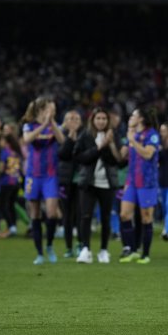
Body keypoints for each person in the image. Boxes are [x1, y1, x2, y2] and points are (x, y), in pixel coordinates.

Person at [73, 108, 123, 263]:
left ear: (108, 121)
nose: (101, 121)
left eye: (104, 118)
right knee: (85, 216)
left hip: (107, 183)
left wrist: (111, 144)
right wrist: (99, 147)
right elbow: (79, 157)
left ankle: (103, 250)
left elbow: (119, 161)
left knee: (106, 217)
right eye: (98, 118)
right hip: (89, 182)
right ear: (92, 120)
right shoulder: (85, 136)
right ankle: (85, 249)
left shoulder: (114, 136)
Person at [21, 97, 66, 264]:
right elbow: (27, 139)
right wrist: (43, 125)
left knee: (52, 212)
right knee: (35, 213)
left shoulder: (55, 126)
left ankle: (49, 245)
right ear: (41, 110)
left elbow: (62, 140)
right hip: (33, 175)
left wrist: (51, 123)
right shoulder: (29, 125)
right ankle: (39, 253)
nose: (52, 111)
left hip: (50, 176)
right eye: (49, 109)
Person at [118, 107, 160, 264]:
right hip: (132, 180)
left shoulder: (152, 135)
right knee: (124, 214)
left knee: (146, 217)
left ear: (141, 118)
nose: (131, 117)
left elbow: (148, 154)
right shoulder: (132, 134)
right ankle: (132, 250)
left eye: (134, 115)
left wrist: (133, 140)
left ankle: (145, 254)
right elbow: (122, 155)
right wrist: (128, 138)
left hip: (147, 182)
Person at [57, 109, 83, 258]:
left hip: (80, 180)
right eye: (70, 119)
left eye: (76, 119)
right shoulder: (59, 136)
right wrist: (71, 137)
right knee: (67, 215)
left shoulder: (86, 135)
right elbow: (62, 154)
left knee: (80, 214)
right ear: (65, 122)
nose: (73, 121)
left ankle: (80, 244)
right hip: (65, 180)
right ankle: (68, 247)